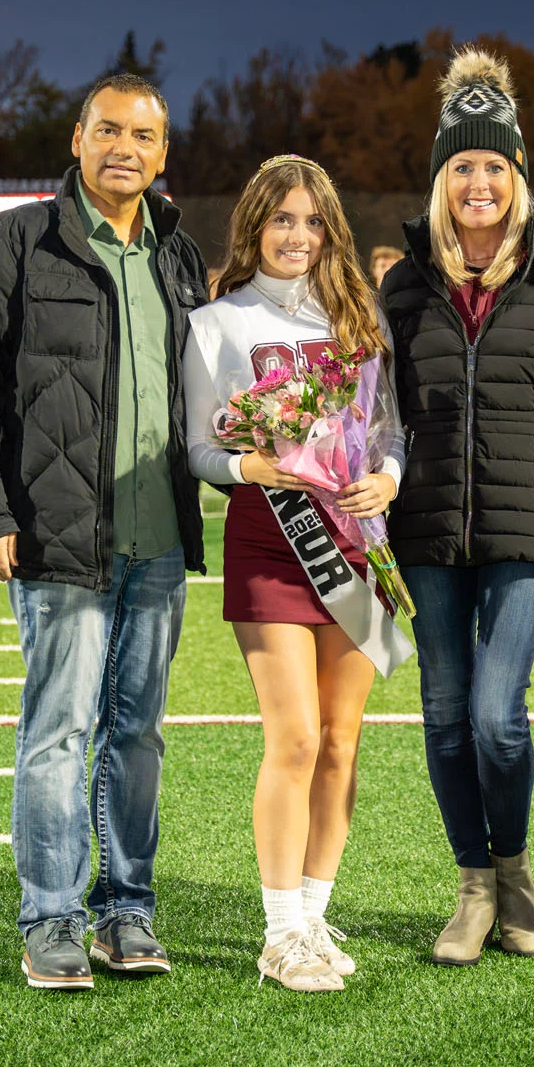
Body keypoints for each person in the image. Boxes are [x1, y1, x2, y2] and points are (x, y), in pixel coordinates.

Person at [0, 72, 210, 992]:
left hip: (160, 538)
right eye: (108, 130)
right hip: (59, 538)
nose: (124, 147)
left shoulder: (178, 253)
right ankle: (51, 916)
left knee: (138, 735)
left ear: (163, 153)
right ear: (77, 138)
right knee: (58, 730)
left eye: (142, 134)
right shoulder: (13, 241)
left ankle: (125, 909)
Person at [380, 47, 534, 968]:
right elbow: (376, 414)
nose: (480, 182)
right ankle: (474, 886)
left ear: (518, 178)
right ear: (442, 178)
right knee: (441, 714)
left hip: (530, 528)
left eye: (495, 166)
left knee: (495, 716)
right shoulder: (402, 285)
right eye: (463, 165)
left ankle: (513, 869)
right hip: (427, 528)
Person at [184, 154, 410, 992]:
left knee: (344, 744)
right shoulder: (218, 324)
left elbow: (387, 429)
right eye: (282, 219)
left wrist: (388, 475)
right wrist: (253, 471)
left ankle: (314, 914)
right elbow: (199, 446)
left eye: (313, 221)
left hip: (355, 537)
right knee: (296, 737)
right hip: (273, 540)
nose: (298, 235)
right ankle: (279, 932)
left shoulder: (358, 315)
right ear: (255, 225)